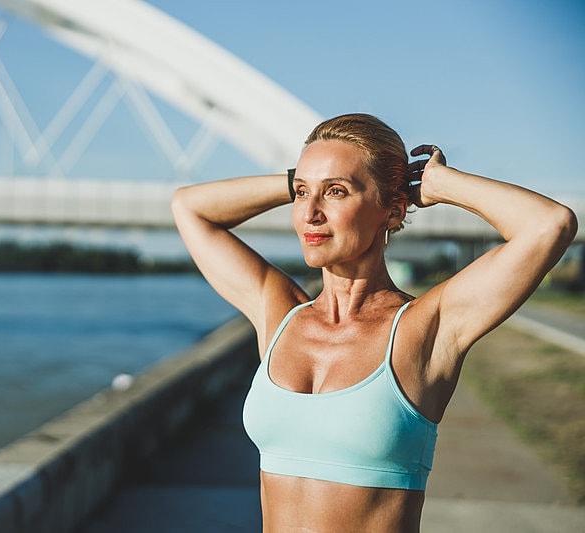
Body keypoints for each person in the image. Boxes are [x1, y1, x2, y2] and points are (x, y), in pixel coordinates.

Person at [171, 113, 577, 532]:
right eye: (301, 193)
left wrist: (437, 184)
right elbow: (189, 207)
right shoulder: (279, 316)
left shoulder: (426, 327)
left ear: (393, 210)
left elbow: (549, 224)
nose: (310, 213)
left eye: (336, 192)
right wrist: (305, 177)